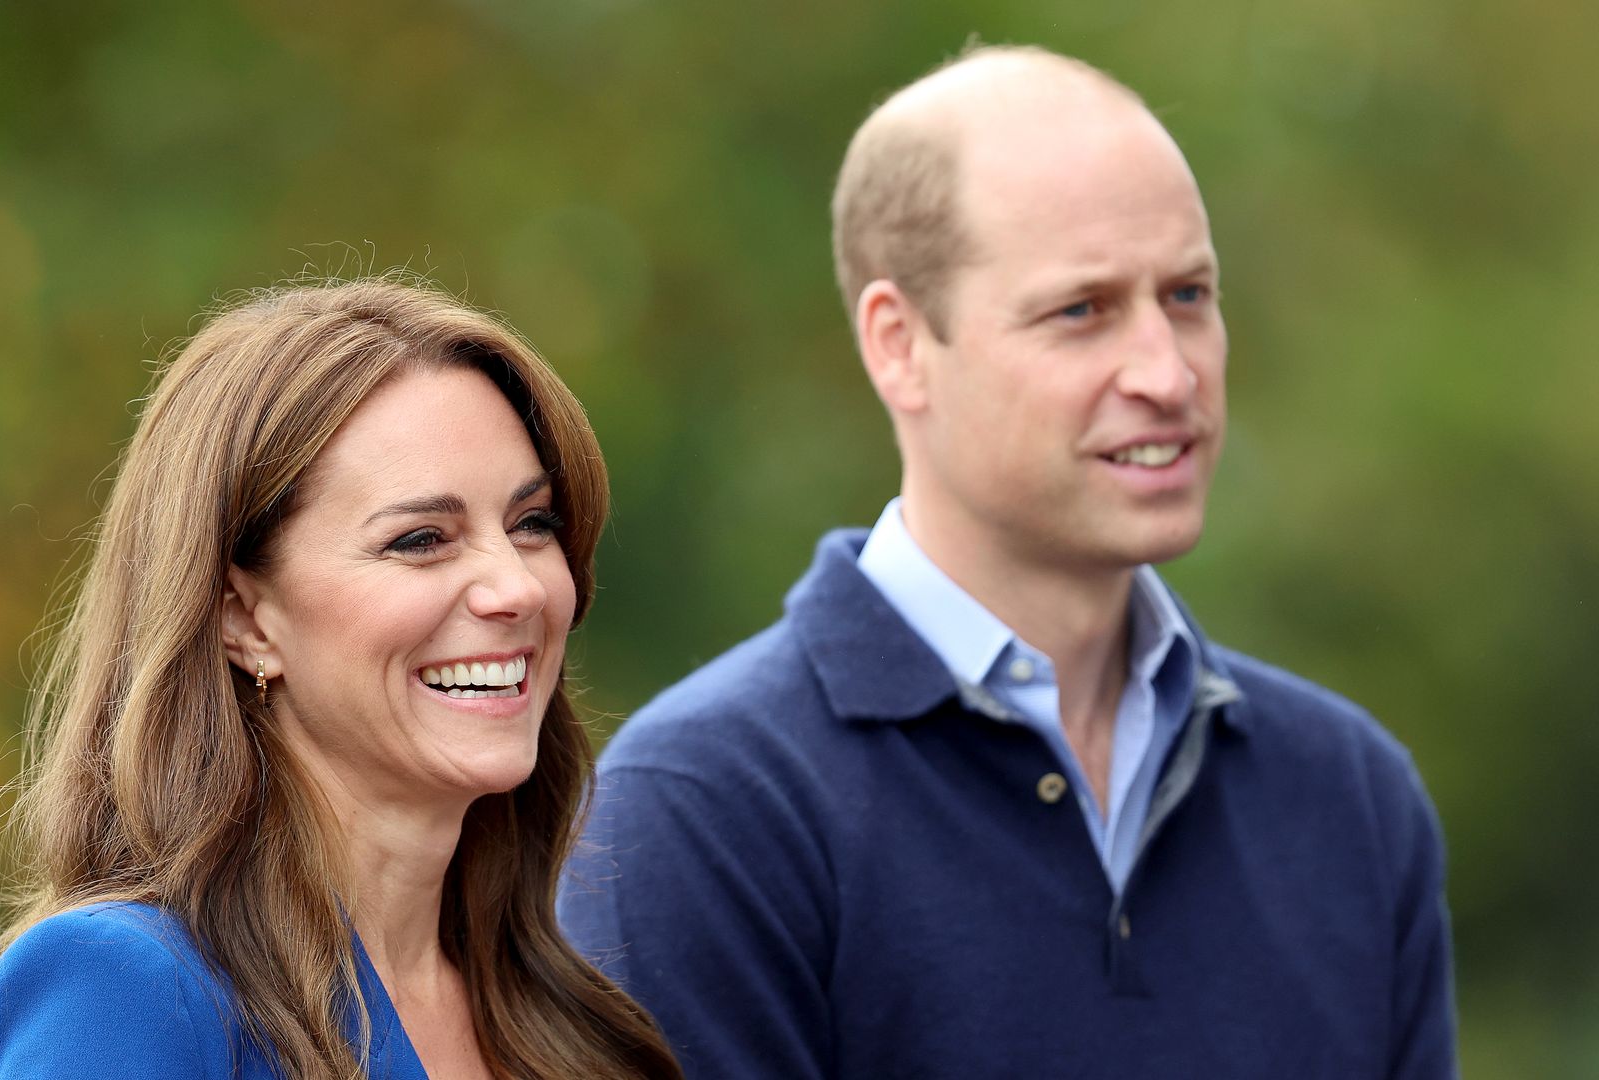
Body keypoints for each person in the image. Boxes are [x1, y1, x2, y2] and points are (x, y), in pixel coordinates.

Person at [558, 44, 1456, 1079]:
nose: (1167, 373)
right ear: (897, 344)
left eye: (1189, 295)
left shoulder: (1350, 798)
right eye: (1081, 310)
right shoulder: (704, 812)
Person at [0, 280, 682, 1079]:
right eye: (421, 539)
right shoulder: (125, 991)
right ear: (243, 615)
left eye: (531, 524)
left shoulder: (573, 1017)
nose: (515, 588)